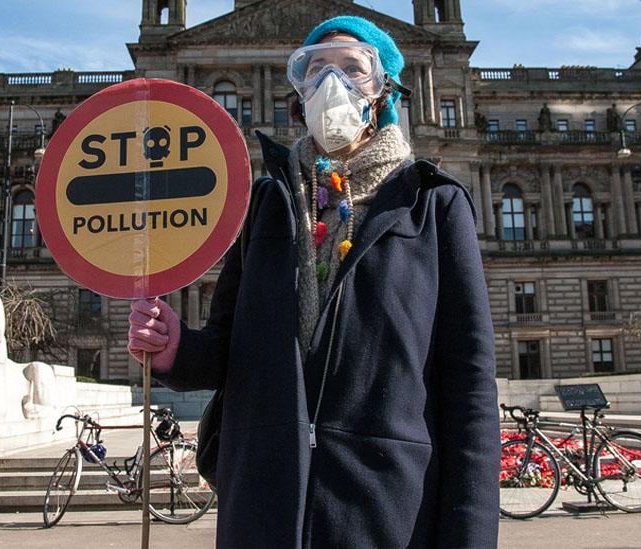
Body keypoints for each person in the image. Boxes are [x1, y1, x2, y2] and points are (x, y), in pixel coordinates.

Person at [128, 16, 498, 548]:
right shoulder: (263, 204)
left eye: (354, 68)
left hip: (383, 512)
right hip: (263, 508)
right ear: (298, 93)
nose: (334, 83)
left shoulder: (434, 204)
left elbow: (469, 388)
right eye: (316, 68)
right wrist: (174, 347)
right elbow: (226, 351)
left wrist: (470, 538)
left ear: (384, 90)